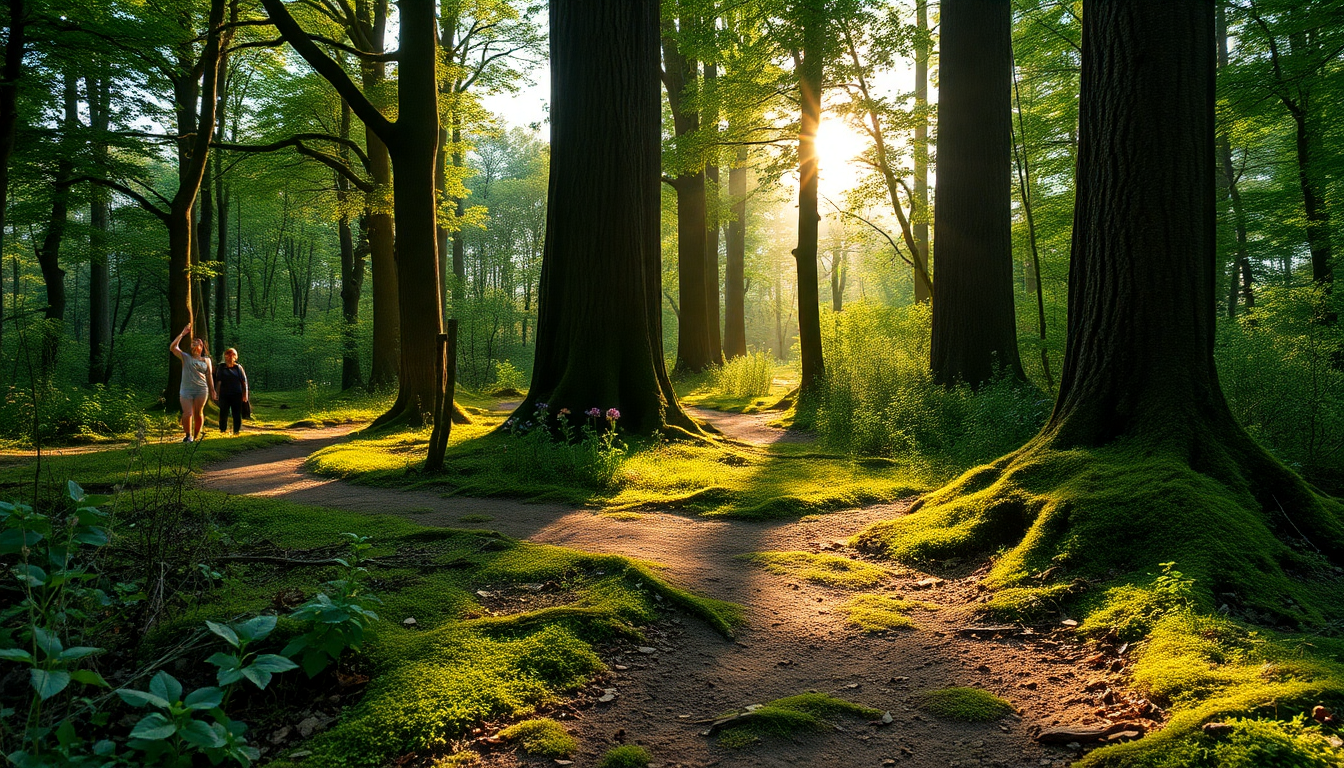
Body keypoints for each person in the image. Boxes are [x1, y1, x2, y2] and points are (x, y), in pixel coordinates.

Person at [170, 324, 215, 442]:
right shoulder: (185, 357)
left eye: (197, 343)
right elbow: (173, 348)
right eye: (192, 343)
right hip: (186, 390)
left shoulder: (207, 360)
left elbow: (209, 375)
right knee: (187, 413)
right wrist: (183, 333)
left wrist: (213, 390)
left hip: (201, 390)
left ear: (202, 346)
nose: (194, 344)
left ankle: (196, 435)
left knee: (198, 412)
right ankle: (188, 436)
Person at [214, 347, 249, 435]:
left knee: (236, 413)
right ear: (225, 356)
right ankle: (222, 430)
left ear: (236, 357)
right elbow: (219, 382)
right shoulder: (221, 368)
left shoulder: (238, 368)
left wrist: (245, 395)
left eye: (233, 355)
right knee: (223, 413)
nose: (230, 357)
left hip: (237, 394)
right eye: (228, 354)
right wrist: (217, 394)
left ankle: (236, 431)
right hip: (224, 394)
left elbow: (244, 382)